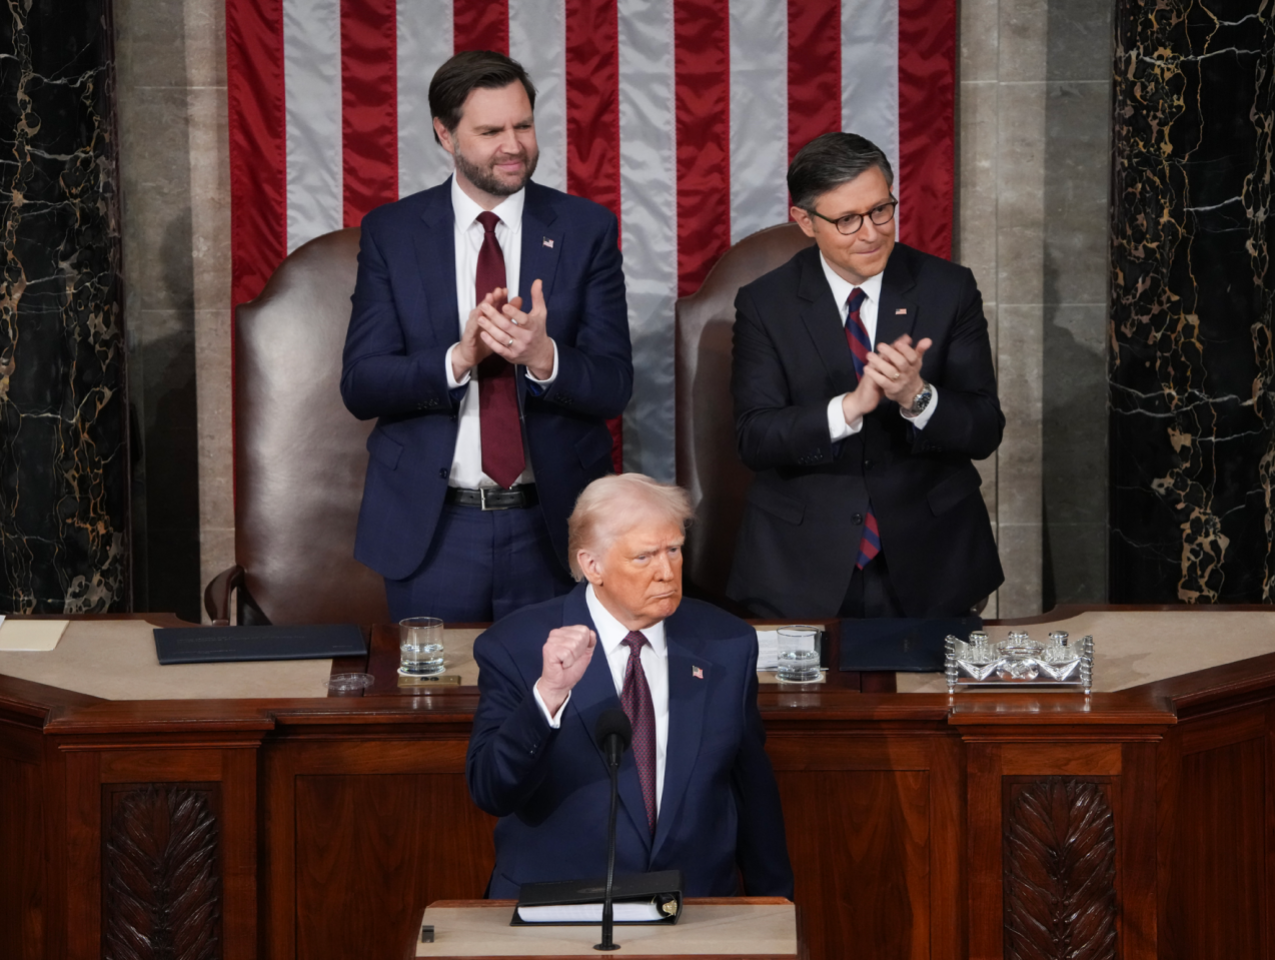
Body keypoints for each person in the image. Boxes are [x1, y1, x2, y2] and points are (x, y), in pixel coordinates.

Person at [341, 50, 632, 623]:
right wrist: (459, 357)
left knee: (560, 705)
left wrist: (544, 357)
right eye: (491, 130)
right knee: (435, 707)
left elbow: (614, 385)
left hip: (554, 528)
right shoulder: (392, 234)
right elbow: (362, 384)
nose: (514, 145)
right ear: (445, 134)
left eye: (523, 125)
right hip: (435, 531)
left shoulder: (585, 229)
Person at [467, 473, 794, 898]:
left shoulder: (727, 643)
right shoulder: (516, 646)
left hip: (695, 905)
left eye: (673, 550)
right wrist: (548, 694)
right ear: (592, 565)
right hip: (559, 906)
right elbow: (491, 790)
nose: (666, 572)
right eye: (644, 557)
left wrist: (774, 905)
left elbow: (752, 789)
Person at [729, 132, 1004, 619]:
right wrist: (848, 409)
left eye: (882, 210)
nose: (872, 232)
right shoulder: (764, 304)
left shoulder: (948, 288)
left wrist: (917, 397)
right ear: (805, 221)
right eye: (847, 220)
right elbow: (755, 437)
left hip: (933, 559)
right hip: (801, 565)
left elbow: (984, 429)